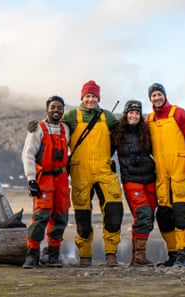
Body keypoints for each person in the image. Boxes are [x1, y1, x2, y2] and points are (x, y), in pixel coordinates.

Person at [61, 80, 123, 267]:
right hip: (81, 172)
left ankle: (111, 254)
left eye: (94, 96)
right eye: (87, 96)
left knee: (114, 212)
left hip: (105, 172)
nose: (90, 99)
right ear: (82, 97)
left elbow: (123, 133)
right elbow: (57, 130)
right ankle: (85, 256)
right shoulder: (72, 116)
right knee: (82, 217)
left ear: (98, 98)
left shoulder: (108, 116)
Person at [145, 83, 185, 267]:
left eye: (159, 94)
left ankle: (183, 255)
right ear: (150, 98)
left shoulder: (179, 114)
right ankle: (173, 255)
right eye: (153, 95)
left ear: (165, 95)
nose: (156, 98)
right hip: (162, 177)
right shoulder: (149, 120)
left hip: (181, 174)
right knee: (164, 217)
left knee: (182, 217)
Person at [21, 95, 70, 268]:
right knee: (41, 217)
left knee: (61, 217)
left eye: (59, 108)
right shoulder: (37, 128)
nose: (56, 110)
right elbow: (28, 154)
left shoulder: (66, 129)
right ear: (47, 109)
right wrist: (31, 179)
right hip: (45, 179)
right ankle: (32, 255)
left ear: (63, 110)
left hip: (62, 180)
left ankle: (53, 255)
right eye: (53, 107)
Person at [111, 100, 157, 266]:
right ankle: (139, 256)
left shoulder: (146, 131)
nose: (134, 116)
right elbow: (106, 152)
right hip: (131, 181)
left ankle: (135, 258)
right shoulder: (117, 131)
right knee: (143, 215)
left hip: (150, 180)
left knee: (147, 218)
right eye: (131, 112)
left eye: (137, 113)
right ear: (125, 113)